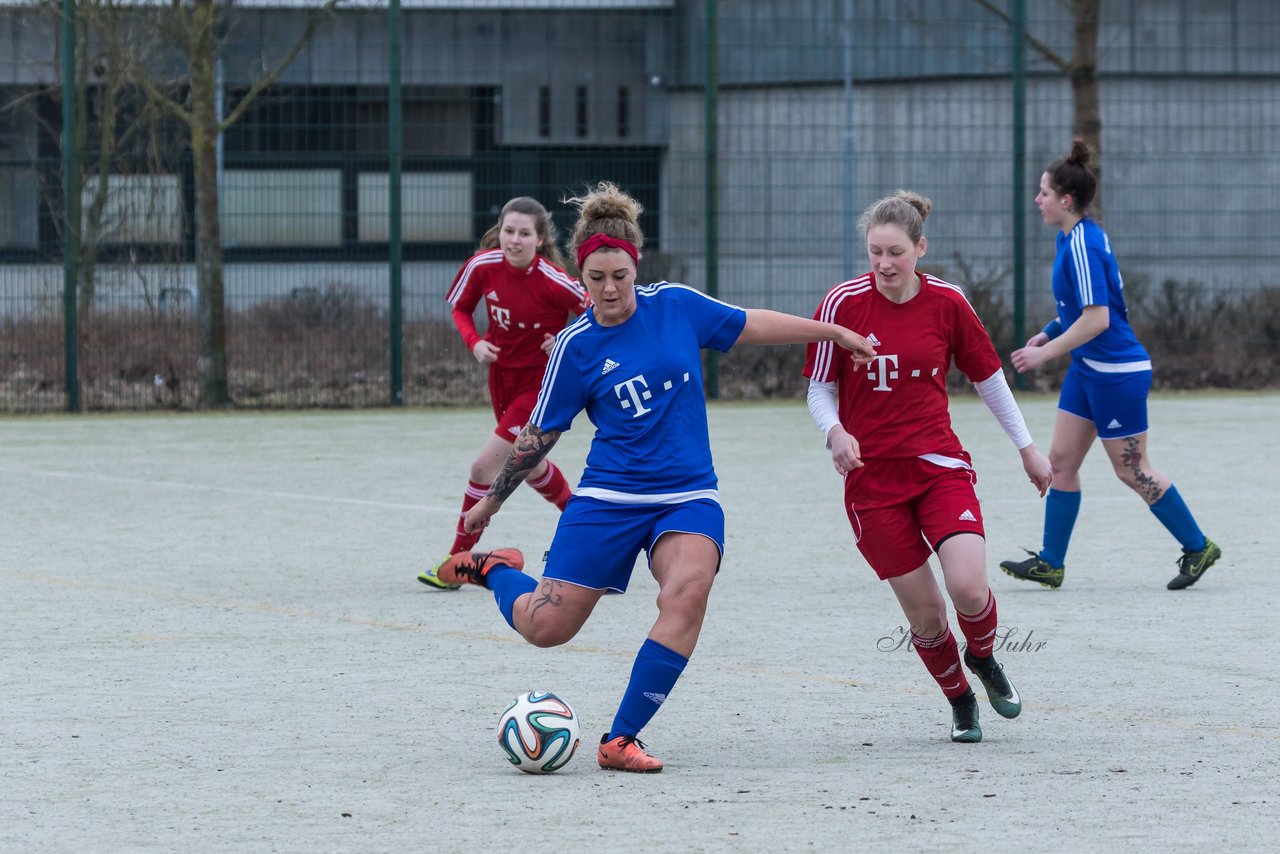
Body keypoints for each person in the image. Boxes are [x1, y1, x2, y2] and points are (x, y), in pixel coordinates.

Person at [432, 181, 878, 772]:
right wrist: (490, 503)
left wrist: (834, 331)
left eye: (620, 276)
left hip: (687, 497)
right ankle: (495, 570)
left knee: (687, 592)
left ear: (634, 268)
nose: (610, 290)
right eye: (596, 279)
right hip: (608, 499)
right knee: (546, 628)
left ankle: (621, 739)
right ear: (582, 277)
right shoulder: (576, 345)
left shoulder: (676, 306)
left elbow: (750, 323)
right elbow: (538, 436)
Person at [804, 190, 1053, 743]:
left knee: (968, 588)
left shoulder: (947, 302)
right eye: (874, 253)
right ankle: (960, 701)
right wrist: (836, 431)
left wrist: (1027, 448)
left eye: (895, 252)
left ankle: (984, 658)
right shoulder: (841, 303)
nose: (884, 264)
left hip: (939, 467)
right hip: (871, 482)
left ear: (920, 247)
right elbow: (820, 390)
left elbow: (988, 378)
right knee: (927, 617)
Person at [999, 140, 1221, 592]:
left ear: (1066, 200)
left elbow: (1098, 319)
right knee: (1060, 463)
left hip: (1117, 374)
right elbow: (1083, 306)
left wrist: (1045, 352)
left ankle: (1199, 547)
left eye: (1044, 193)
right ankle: (1051, 563)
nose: (1037, 200)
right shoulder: (1074, 237)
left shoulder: (1082, 242)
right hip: (1088, 371)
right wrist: (1048, 330)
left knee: (1131, 470)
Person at [418, 197, 590, 590]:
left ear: (540, 238)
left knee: (484, 468)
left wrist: (564, 339)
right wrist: (474, 343)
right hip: (500, 379)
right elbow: (460, 309)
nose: (514, 240)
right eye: (509, 231)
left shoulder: (555, 281)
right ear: (501, 231)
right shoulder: (482, 266)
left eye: (524, 233)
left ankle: (456, 560)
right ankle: (583, 521)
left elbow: (597, 315)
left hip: (540, 385)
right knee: (527, 465)